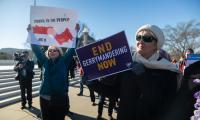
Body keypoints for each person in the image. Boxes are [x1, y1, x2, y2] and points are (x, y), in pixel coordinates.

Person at [87, 24, 179, 120]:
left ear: (156, 44)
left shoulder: (169, 71)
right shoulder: (127, 64)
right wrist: (93, 84)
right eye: (138, 37)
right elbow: (115, 94)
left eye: (147, 38)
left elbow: (164, 103)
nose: (140, 41)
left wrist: (142, 76)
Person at [28, 30, 75, 120]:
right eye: (50, 50)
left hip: (60, 97)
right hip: (44, 97)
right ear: (48, 53)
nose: (52, 52)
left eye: (55, 50)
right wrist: (31, 34)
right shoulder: (44, 61)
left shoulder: (64, 61)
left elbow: (72, 48)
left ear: (59, 52)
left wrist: (75, 32)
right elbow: (36, 49)